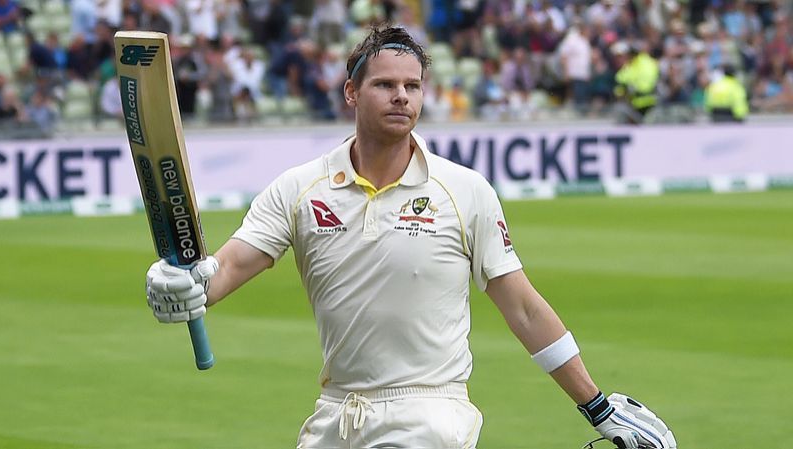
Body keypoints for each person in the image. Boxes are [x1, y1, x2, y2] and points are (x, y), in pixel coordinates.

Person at [143, 26, 676, 449]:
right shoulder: (299, 188)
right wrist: (185, 285)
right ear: (351, 92)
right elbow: (232, 264)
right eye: (384, 84)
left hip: (429, 414)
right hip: (336, 417)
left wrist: (597, 406)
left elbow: (524, 308)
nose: (401, 96)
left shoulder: (463, 190)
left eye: (412, 86)